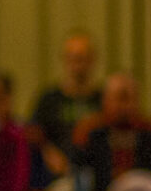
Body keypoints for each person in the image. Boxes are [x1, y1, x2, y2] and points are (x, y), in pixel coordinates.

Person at [70, 72, 151, 191]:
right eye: (120, 98)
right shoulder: (87, 133)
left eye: (131, 98)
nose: (125, 106)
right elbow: (80, 182)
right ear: (105, 100)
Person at [29, 29, 102, 171]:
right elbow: (33, 135)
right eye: (73, 58)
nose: (78, 65)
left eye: (82, 58)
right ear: (64, 59)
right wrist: (48, 152)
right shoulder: (49, 99)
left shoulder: (103, 100)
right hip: (57, 176)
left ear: (92, 60)